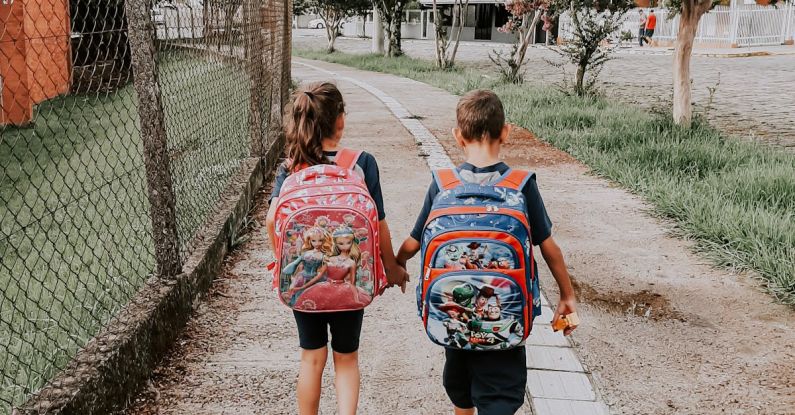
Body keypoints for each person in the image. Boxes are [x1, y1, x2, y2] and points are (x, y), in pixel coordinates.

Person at [396, 89, 578, 415]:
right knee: (499, 402)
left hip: (453, 323)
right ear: (505, 131)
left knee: (461, 397)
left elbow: (415, 241)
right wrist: (567, 295)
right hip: (505, 327)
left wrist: (397, 263)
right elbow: (549, 247)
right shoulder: (522, 186)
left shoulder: (443, 184)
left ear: (457, 136)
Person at [265, 82, 409, 415]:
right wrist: (391, 268)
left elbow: (273, 221)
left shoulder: (290, 168)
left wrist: (282, 262)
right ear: (339, 122)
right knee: (346, 358)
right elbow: (379, 225)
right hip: (349, 283)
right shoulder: (361, 164)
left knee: (311, 357)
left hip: (304, 283)